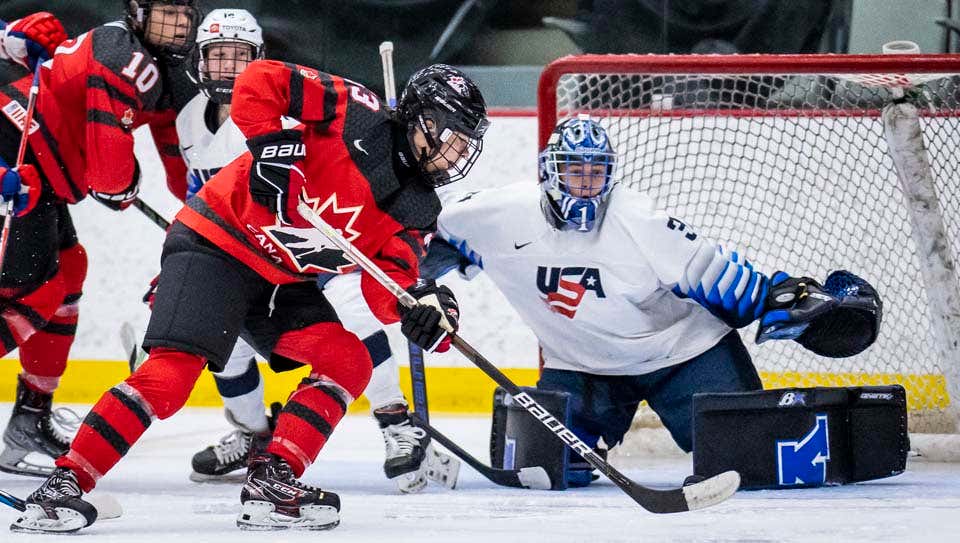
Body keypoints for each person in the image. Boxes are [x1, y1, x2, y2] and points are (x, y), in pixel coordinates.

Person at [14, 59, 488, 532]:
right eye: (454, 137)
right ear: (424, 118)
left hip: (280, 280)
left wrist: (424, 308)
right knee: (172, 375)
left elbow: (387, 282)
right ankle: (63, 486)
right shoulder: (355, 110)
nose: (457, 153)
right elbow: (260, 80)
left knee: (349, 359)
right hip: (215, 241)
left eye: (466, 145)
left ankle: (272, 479)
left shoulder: (419, 207)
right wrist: (267, 145)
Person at [427, 115, 866, 487]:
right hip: (585, 369)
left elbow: (718, 276)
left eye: (595, 173)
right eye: (574, 172)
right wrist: (416, 277)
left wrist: (781, 300)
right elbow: (423, 233)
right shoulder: (496, 215)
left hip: (684, 356)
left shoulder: (639, 220)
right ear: (548, 172)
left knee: (741, 463)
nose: (585, 186)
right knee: (539, 470)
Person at [167, 8, 445, 493]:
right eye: (219, 57)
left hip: (318, 238)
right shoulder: (191, 120)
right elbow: (204, 193)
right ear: (200, 62)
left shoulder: (267, 113)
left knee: (354, 312)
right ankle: (253, 434)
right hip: (252, 250)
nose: (230, 68)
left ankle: (395, 421)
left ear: (257, 58)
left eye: (240, 57)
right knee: (220, 340)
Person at [0, 1, 199, 478]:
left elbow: (176, 169)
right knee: (34, 296)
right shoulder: (126, 56)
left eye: (183, 13)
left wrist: (198, 216)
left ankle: (28, 421)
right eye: (164, 12)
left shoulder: (152, 63)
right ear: (136, 12)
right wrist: (121, 183)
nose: (176, 24)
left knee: (68, 272)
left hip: (36, 171)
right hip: (15, 161)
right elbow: (109, 175)